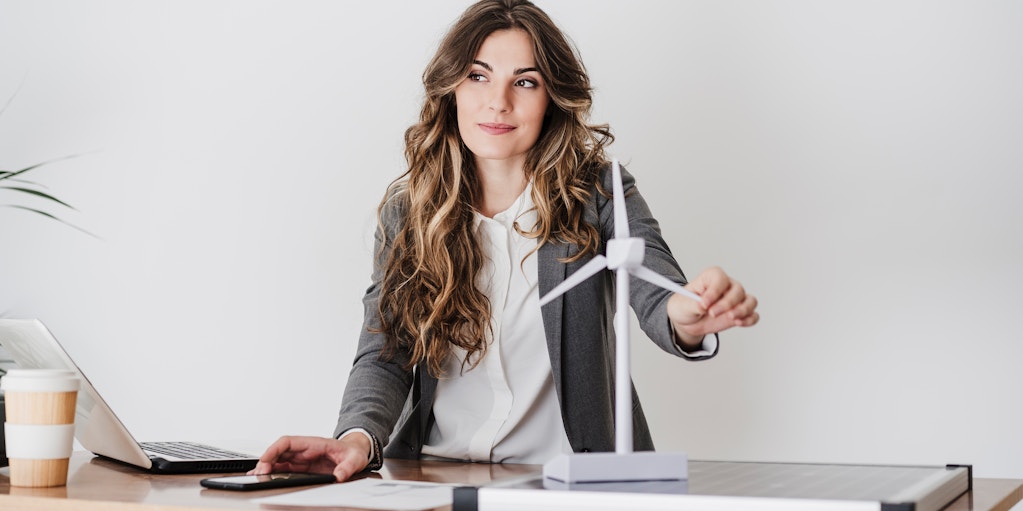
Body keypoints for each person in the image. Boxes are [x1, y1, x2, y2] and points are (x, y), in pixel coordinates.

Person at [251, 0, 759, 482]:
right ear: (451, 88)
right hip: (431, 478)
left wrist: (688, 314)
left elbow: (655, 290)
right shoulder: (409, 213)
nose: (498, 101)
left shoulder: (599, 191)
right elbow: (386, 350)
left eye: (526, 81)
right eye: (478, 76)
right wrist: (357, 438)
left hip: (568, 482)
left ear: (551, 97)